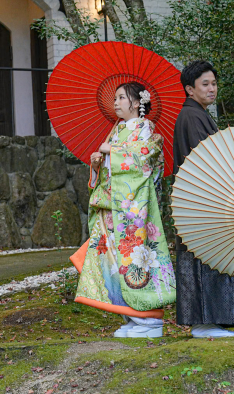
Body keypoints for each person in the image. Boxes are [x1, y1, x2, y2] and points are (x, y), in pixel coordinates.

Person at [70, 82, 176, 338]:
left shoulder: (145, 130)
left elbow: (146, 160)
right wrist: (97, 165)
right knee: (113, 262)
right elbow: (107, 171)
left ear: (137, 103)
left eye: (120, 98)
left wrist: (113, 151)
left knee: (134, 262)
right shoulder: (116, 131)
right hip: (111, 206)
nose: (115, 103)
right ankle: (131, 315)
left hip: (132, 213)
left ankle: (149, 320)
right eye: (115, 98)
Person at [172, 60, 234, 338]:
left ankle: (208, 322)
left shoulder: (196, 114)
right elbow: (208, 160)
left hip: (203, 199)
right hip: (201, 201)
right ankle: (203, 323)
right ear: (189, 89)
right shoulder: (191, 117)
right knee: (206, 259)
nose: (212, 89)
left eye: (214, 83)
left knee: (211, 259)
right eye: (205, 84)